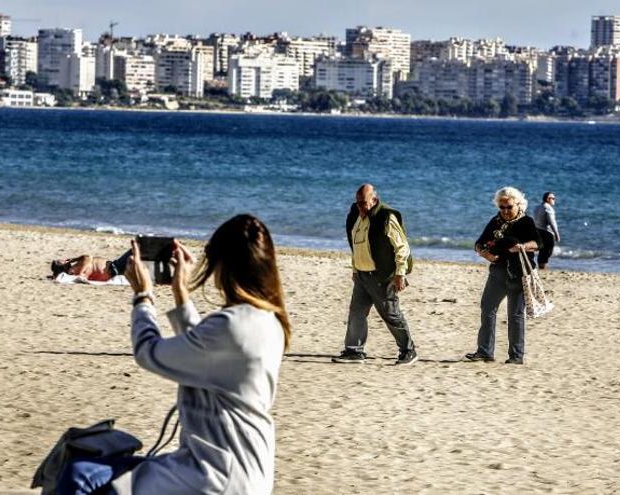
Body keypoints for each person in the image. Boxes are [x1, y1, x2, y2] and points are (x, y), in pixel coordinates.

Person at [58, 214, 290, 495]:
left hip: (214, 475)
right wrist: (181, 292)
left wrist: (143, 296)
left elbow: (149, 353)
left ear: (223, 265)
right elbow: (203, 351)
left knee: (80, 475)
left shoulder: (230, 324)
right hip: (250, 471)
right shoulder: (271, 322)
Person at [332, 183, 417, 365]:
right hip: (362, 275)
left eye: (364, 203)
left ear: (374, 200)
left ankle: (408, 350)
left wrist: (400, 274)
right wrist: (355, 270)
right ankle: (354, 351)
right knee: (356, 312)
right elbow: (357, 246)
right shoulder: (355, 215)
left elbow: (402, 247)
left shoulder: (387, 217)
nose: (360, 207)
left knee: (391, 314)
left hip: (382, 277)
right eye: (358, 203)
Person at [465, 187, 542, 365]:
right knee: (487, 308)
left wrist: (522, 246)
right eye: (502, 207)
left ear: (518, 204)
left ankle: (516, 356)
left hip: (519, 274)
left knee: (515, 315)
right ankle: (484, 351)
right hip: (498, 272)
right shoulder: (496, 221)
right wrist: (484, 253)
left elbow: (539, 243)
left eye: (509, 207)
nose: (505, 211)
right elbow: (479, 243)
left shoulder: (526, 222)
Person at [532, 191, 561, 270]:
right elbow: (552, 222)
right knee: (548, 251)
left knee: (542, 250)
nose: (554, 200)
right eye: (553, 198)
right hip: (546, 232)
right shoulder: (548, 208)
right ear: (548, 199)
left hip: (538, 230)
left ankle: (541, 266)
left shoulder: (537, 207)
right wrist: (557, 234)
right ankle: (542, 267)